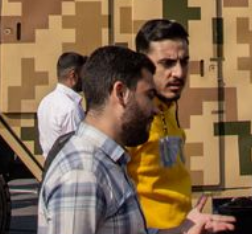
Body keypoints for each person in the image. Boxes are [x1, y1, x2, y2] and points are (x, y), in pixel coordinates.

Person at [127, 19, 234, 234]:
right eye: (167, 63)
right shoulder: (130, 119)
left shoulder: (168, 109)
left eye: (184, 62)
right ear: (143, 65)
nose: (179, 72)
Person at [38, 45, 158, 234]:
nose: (155, 109)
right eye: (149, 96)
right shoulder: (82, 175)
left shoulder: (103, 162)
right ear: (121, 93)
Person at [38, 51, 86, 158]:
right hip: (68, 166)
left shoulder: (45, 102)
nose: (86, 79)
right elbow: (77, 151)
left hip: (50, 165)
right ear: (73, 75)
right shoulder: (71, 108)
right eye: (84, 74)